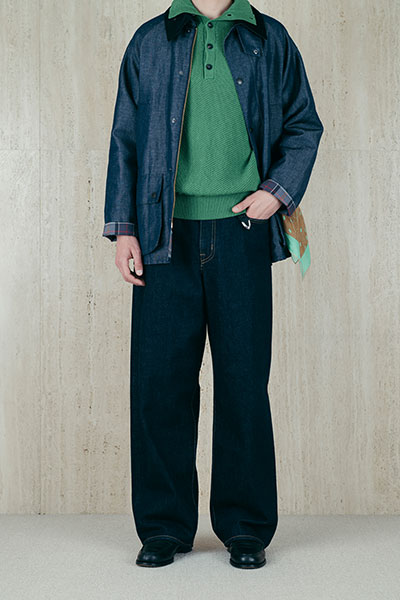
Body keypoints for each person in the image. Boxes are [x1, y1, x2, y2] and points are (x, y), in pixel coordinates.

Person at [103, 0, 323, 569]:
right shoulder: (150, 41)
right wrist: (124, 229)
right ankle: (163, 526)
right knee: (159, 384)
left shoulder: (269, 39)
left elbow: (304, 125)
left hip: (242, 232)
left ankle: (246, 527)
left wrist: (276, 191)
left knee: (244, 383)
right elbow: (125, 139)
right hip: (163, 234)